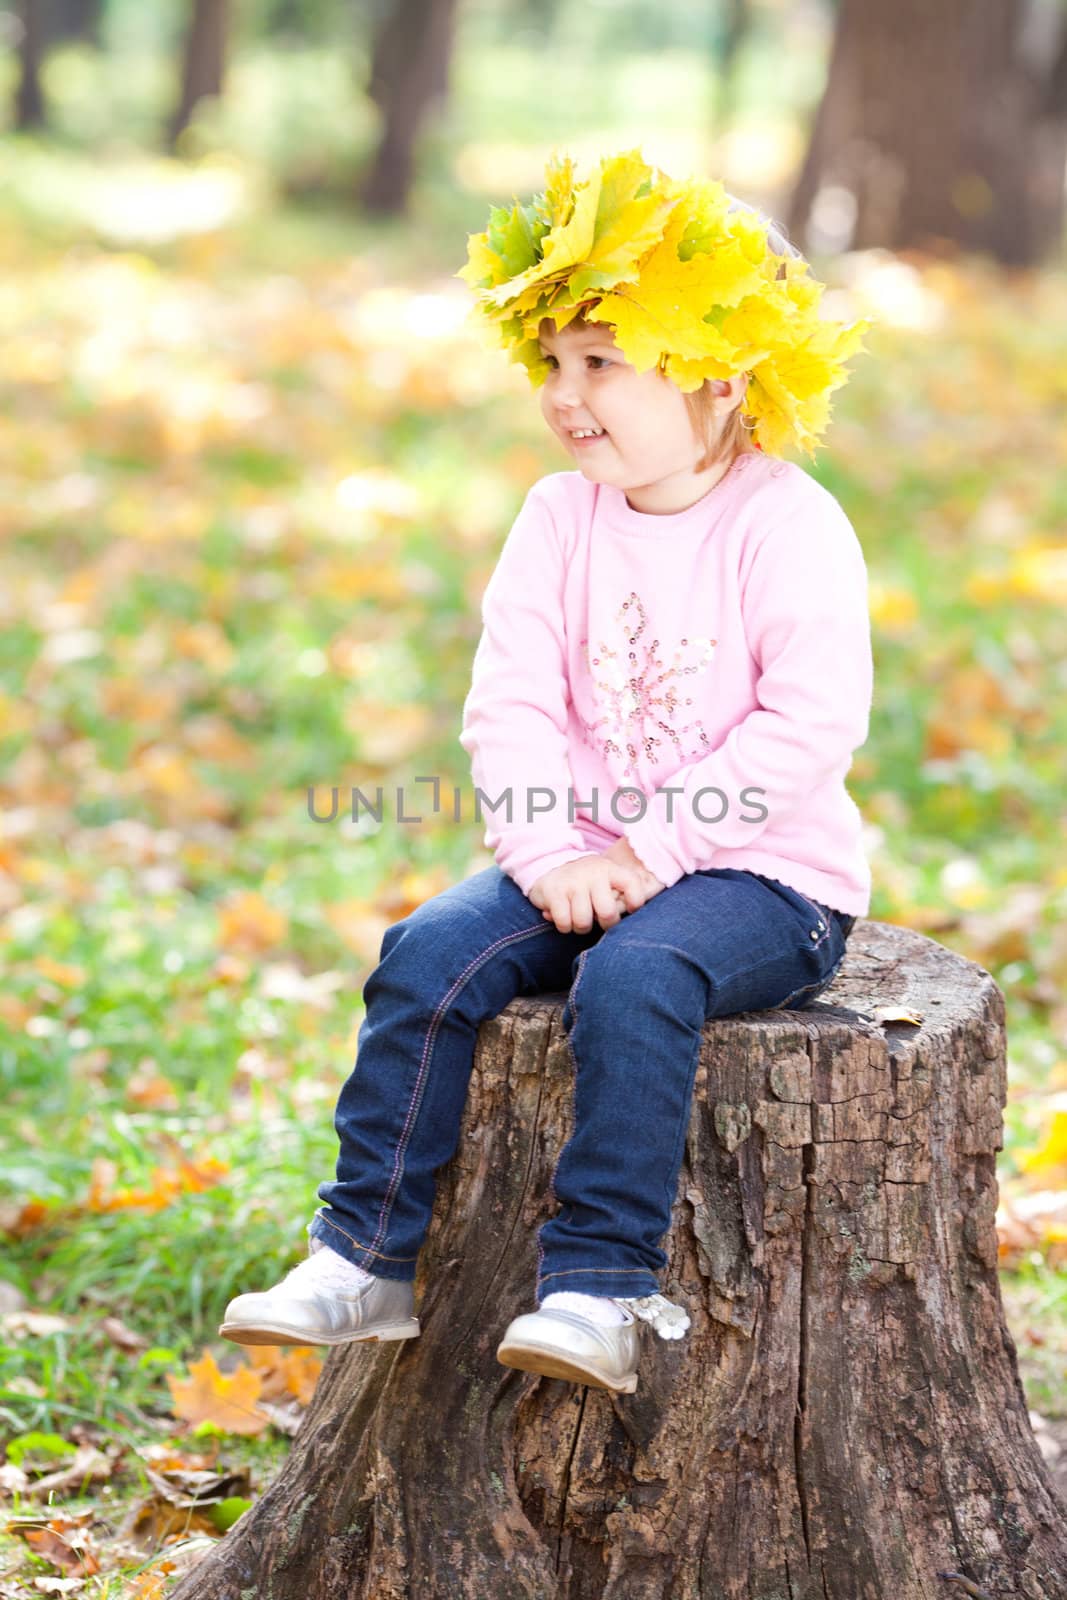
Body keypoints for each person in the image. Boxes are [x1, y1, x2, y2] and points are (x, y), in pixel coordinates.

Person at [219, 147, 875, 1396]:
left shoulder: (785, 526)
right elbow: (507, 705)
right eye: (554, 363)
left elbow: (807, 725)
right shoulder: (556, 518)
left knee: (632, 976)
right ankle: (362, 1257)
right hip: (573, 852)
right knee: (425, 953)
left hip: (760, 874)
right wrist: (550, 854)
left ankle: (599, 1284)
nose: (566, 394)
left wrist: (647, 854)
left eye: (604, 363)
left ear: (720, 375)